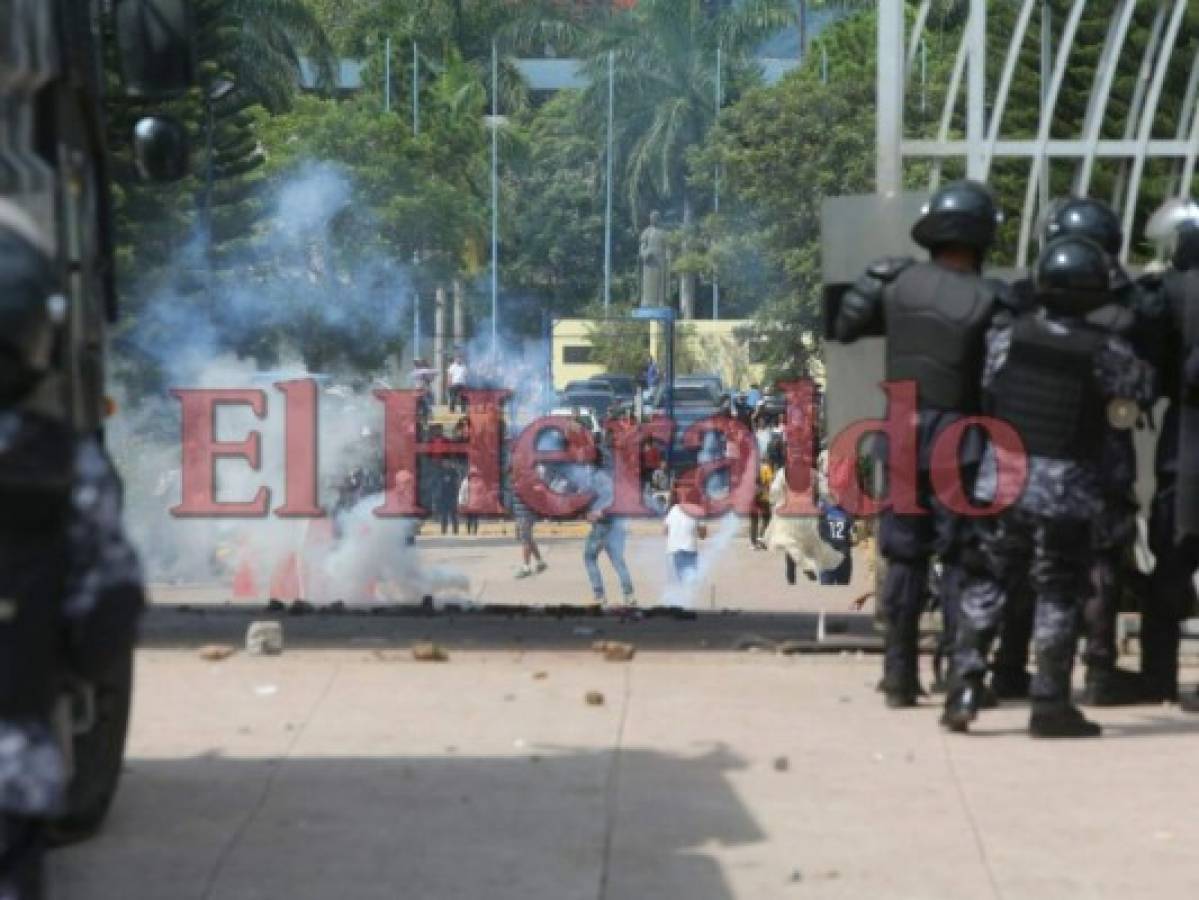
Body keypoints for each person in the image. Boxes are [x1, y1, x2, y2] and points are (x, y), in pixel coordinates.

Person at [944, 235, 1155, 737]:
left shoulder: (1010, 336)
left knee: (988, 581)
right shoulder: (1103, 348)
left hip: (1004, 479)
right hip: (1065, 487)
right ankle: (1050, 702)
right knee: (1058, 590)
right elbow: (1142, 387)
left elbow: (990, 387)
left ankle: (965, 687)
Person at [834, 180, 1009, 708]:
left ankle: (898, 675)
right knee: (961, 559)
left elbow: (845, 327)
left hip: (903, 431)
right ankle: (960, 675)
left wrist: (876, 281)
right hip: (965, 437)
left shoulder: (895, 283)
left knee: (904, 555)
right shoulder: (992, 297)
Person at [989, 197, 1149, 706]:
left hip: (1031, 447)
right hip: (1104, 447)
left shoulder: (1025, 300)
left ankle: (1008, 666)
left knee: (1019, 556)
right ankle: (1098, 668)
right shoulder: (1131, 306)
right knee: (1100, 555)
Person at [1137, 198, 1199, 708]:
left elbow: (1146, 365)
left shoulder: (1169, 292)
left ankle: (1158, 676)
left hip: (1185, 443)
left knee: (1170, 559)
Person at [583, 452, 637, 608]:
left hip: (603, 525)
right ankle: (629, 595)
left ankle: (599, 595)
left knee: (589, 557)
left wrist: (597, 514)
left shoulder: (598, 478)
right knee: (618, 561)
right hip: (617, 526)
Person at [663, 489, 707, 584]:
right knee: (689, 582)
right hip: (689, 550)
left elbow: (665, 531)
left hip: (673, 551)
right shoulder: (697, 512)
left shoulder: (674, 510)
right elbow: (703, 535)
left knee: (679, 581)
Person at [512, 473, 547, 579]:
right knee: (528, 539)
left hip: (525, 515)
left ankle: (526, 567)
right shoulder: (520, 484)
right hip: (522, 515)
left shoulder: (524, 485)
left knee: (525, 541)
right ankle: (540, 562)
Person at [818, 498, 854, 585]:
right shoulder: (848, 509)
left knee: (827, 590)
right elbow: (856, 535)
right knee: (842, 590)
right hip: (842, 554)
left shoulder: (821, 507)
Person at [749, 458, 774, 550]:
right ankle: (762, 538)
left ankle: (753, 543)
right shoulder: (766, 468)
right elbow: (769, 482)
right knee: (766, 518)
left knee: (753, 521)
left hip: (751, 499)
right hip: (764, 497)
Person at [436, 460, 461, 536]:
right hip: (443, 497)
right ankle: (443, 531)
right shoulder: (441, 472)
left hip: (452, 497)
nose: (445, 464)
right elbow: (438, 485)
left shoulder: (453, 472)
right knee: (444, 516)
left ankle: (455, 531)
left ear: (450, 464)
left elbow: (458, 481)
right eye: (444, 463)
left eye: (447, 463)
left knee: (454, 515)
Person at [459, 467, 480, 536]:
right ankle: (468, 531)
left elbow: (482, 492)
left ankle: (475, 532)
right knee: (469, 518)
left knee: (475, 518)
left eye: (474, 474)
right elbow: (462, 492)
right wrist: (461, 502)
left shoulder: (479, 482)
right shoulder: (465, 482)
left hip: (476, 503)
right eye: (472, 474)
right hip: (468, 503)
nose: (473, 476)